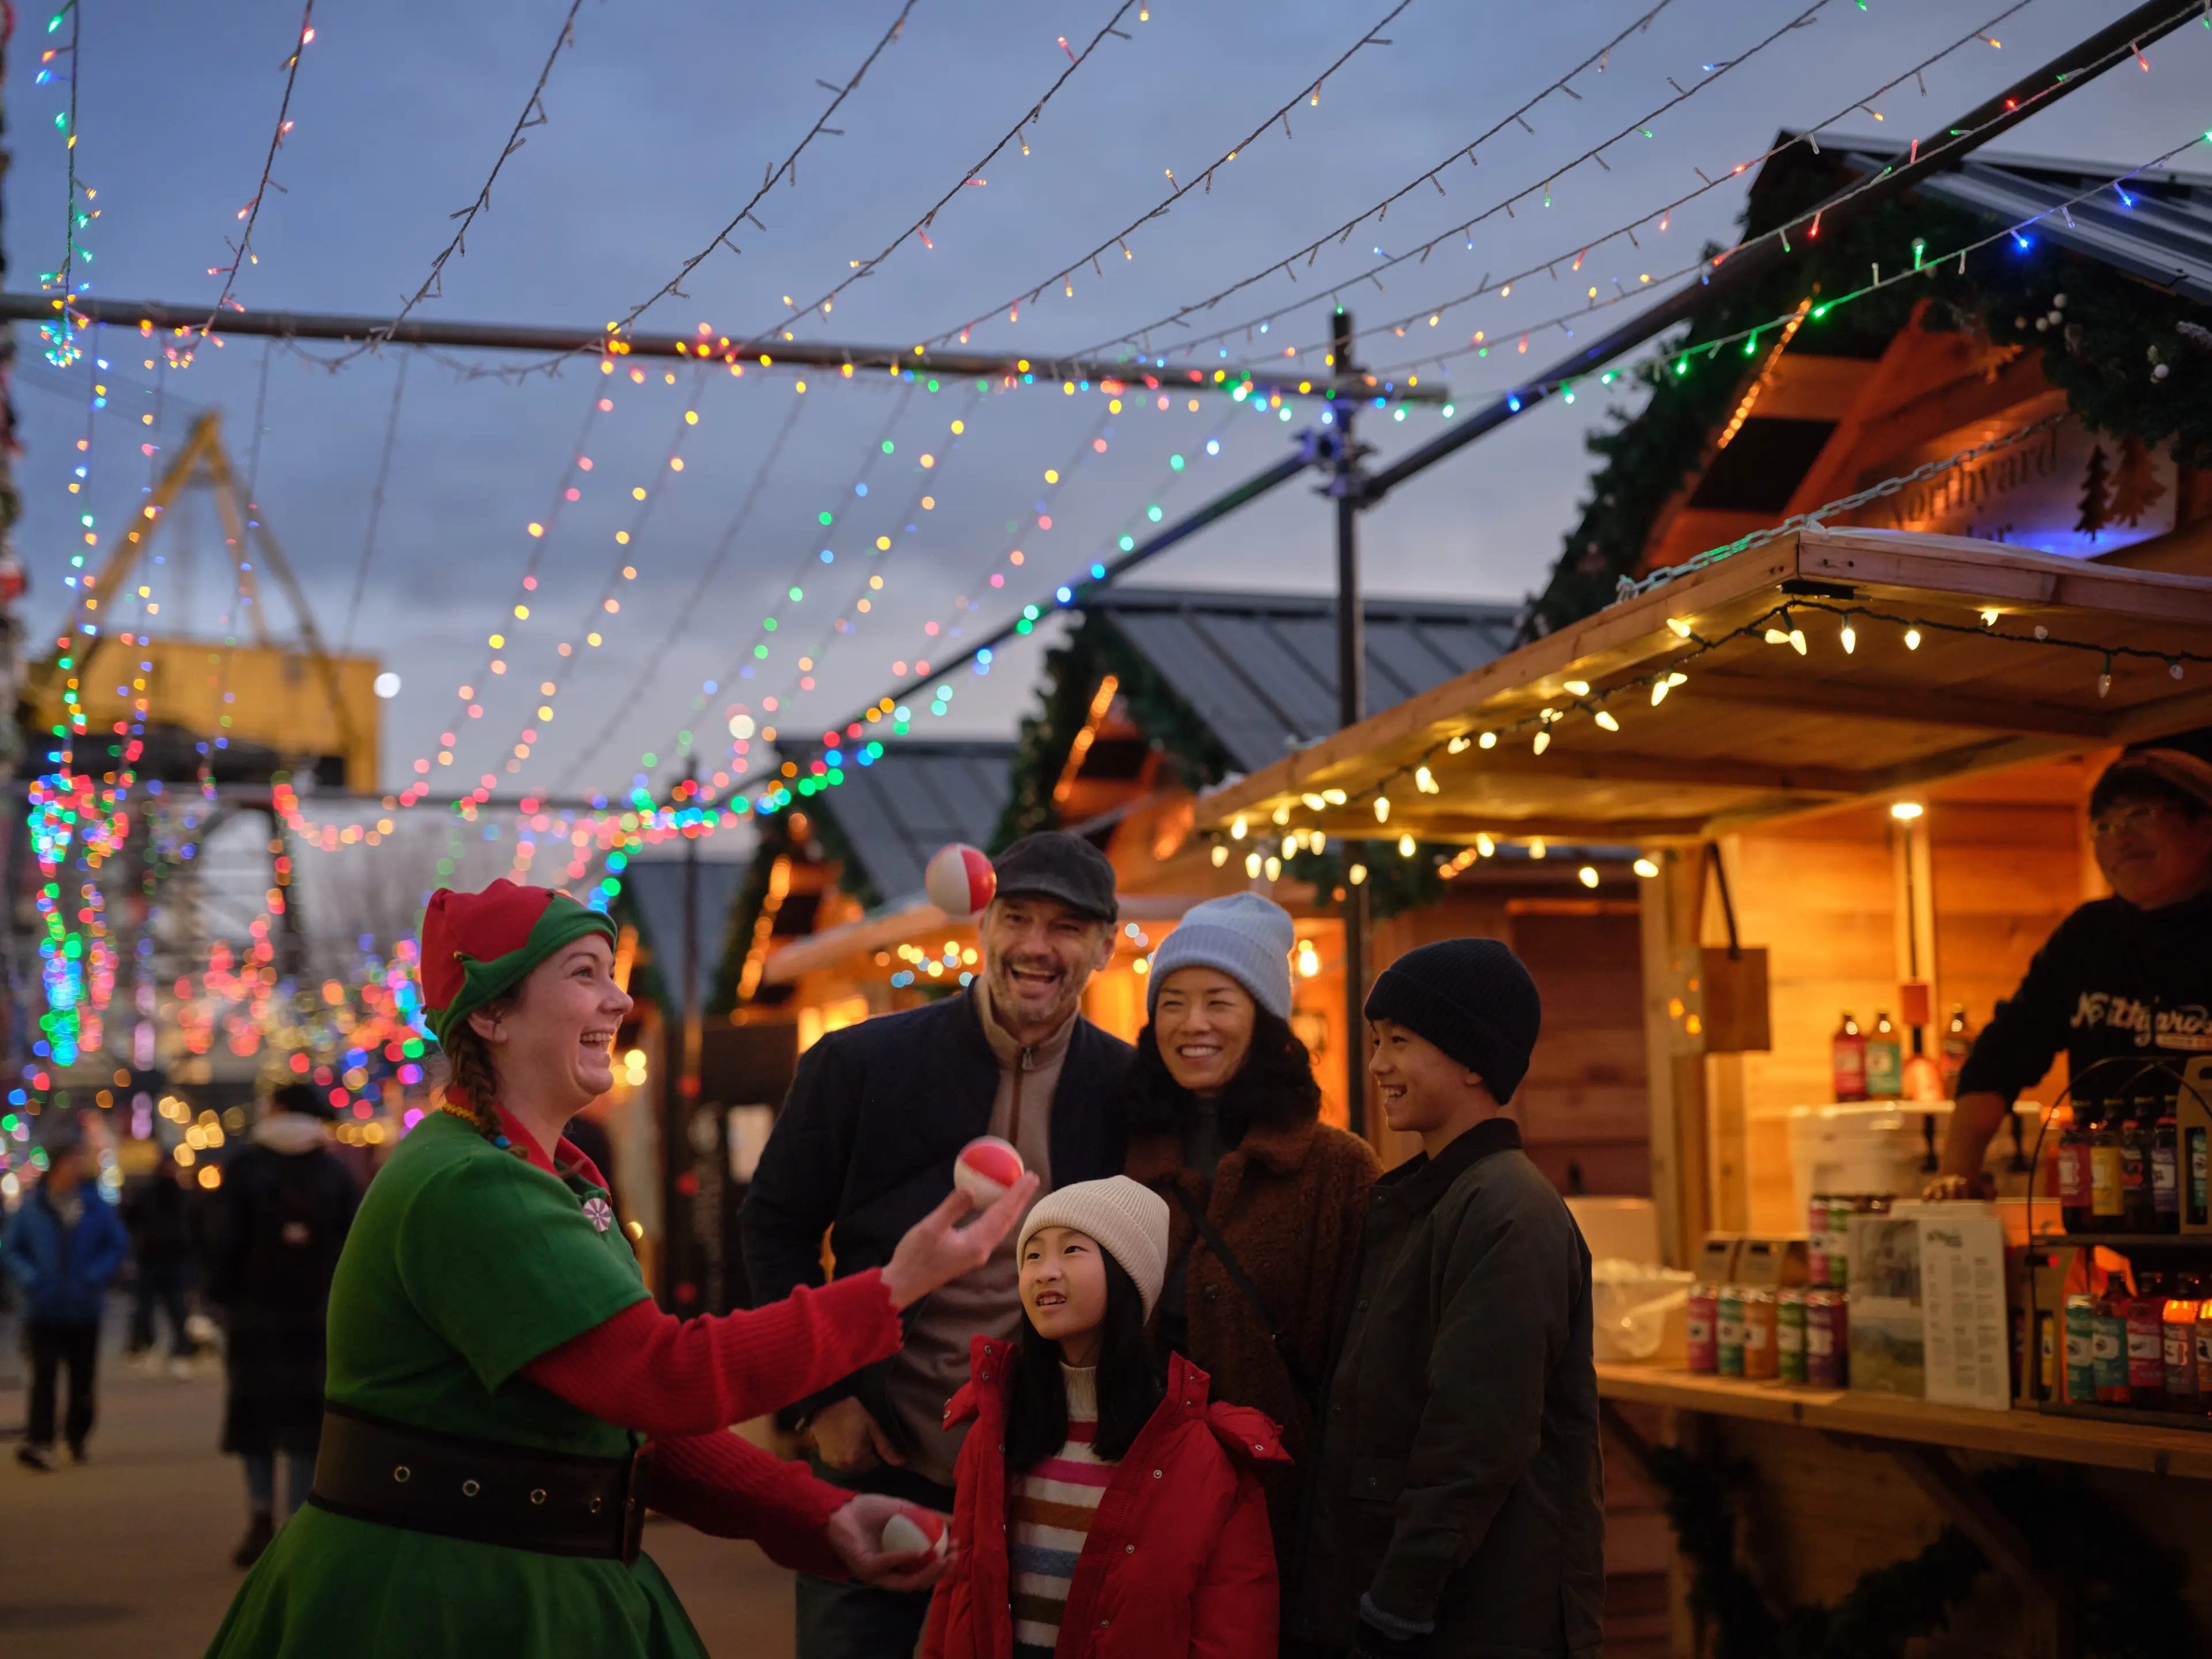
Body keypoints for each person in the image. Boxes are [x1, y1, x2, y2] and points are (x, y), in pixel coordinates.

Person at [205, 878, 1039, 1659]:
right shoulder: (471, 1185)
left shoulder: (546, 1173)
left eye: (614, 973)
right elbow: (661, 1378)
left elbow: (622, 1427)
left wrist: (821, 1514)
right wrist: (894, 1288)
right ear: (492, 1013)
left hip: (513, 1576)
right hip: (444, 1601)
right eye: (584, 975)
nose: (620, 1000)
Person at [744, 830, 1134, 1659]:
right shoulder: (859, 1065)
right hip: (881, 1454)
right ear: (981, 925)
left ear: (1105, 945)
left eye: (1067, 927)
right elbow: (772, 1226)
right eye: (1017, 917)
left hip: (1052, 1473)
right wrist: (823, 1400)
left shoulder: (1131, 1091)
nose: (1037, 945)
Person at [1289, 940, 1603, 1659]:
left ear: (1472, 1060)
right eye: (1376, 1042)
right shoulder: (1427, 1199)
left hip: (1479, 1614)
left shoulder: (1509, 1210)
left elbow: (1477, 1434)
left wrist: (1398, 1602)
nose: (1377, 1066)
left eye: (1400, 1043)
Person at [923, 1176, 1285, 1659]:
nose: (1045, 1272)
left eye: (1072, 1250)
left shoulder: (1202, 1453)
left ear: (1126, 1277)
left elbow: (1235, 1633)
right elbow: (957, 1601)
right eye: (1032, 1255)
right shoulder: (996, 1432)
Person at [1122, 892, 1378, 1567]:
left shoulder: (1336, 1170)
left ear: (1264, 1022)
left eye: (1219, 1001)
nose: (1192, 1023)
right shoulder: (1123, 1154)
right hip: (1130, 1508)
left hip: (1277, 1517)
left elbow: (1364, 1369)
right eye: (1172, 1001)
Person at [1931, 747, 2212, 1196]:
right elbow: (2003, 1054)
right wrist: (1957, 1175)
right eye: (2103, 826)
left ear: (2204, 827)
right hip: (2112, 1213)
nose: (2120, 837)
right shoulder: (2090, 936)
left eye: (2141, 814)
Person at [207, 1080, 364, 1567]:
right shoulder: (334, 1171)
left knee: (254, 1421)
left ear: (277, 1110)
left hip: (255, 1317)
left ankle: (259, 1517)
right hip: (317, 1317)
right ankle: (297, 1521)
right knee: (304, 1425)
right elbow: (357, 1247)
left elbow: (221, 1240)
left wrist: (221, 1300)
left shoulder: (245, 1168)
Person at [3, 1120, 128, 1470]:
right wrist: (33, 1280)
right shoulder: (31, 1208)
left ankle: (77, 1435)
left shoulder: (95, 1206)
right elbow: (12, 1250)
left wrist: (93, 1277)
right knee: (43, 1374)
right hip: (43, 1306)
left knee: (82, 1377)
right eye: (70, 1161)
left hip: (83, 1307)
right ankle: (41, 1439)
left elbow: (116, 1245)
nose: (75, 1168)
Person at [124, 1147, 199, 1372]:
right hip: (151, 1259)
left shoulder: (182, 1196)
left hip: (174, 1259)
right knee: (147, 1308)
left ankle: (179, 1350)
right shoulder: (149, 1195)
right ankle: (147, 1347)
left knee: (177, 1308)